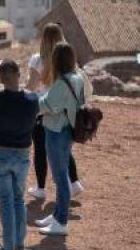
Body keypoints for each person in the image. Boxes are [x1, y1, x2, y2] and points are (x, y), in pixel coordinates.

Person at [0, 60, 39, 250]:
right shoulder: (32, 100)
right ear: (18, 74)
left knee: (6, 201)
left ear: (2, 78)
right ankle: (18, 243)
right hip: (22, 154)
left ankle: (8, 246)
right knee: (18, 199)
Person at [26, 23, 83, 200]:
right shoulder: (67, 60)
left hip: (42, 110)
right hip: (63, 109)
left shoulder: (37, 59)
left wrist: (21, 93)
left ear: (43, 39)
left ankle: (41, 188)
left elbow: (32, 87)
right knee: (63, 148)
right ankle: (74, 183)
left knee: (40, 149)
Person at [35, 42, 85, 236]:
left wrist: (32, 100)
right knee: (61, 174)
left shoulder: (62, 83)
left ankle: (61, 222)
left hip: (56, 131)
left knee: (60, 177)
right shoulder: (77, 77)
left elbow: (47, 105)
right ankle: (57, 215)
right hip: (68, 129)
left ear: (57, 60)